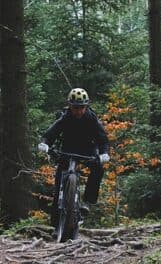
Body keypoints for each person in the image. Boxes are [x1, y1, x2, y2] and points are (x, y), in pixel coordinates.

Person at [37, 88, 110, 223]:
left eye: (82, 107)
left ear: (86, 106)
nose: (79, 111)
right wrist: (45, 143)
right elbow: (51, 133)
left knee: (98, 168)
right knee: (59, 181)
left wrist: (104, 153)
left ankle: (87, 202)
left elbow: (102, 139)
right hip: (67, 149)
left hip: (87, 150)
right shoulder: (65, 117)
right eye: (75, 107)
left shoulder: (91, 118)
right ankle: (55, 224)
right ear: (70, 106)